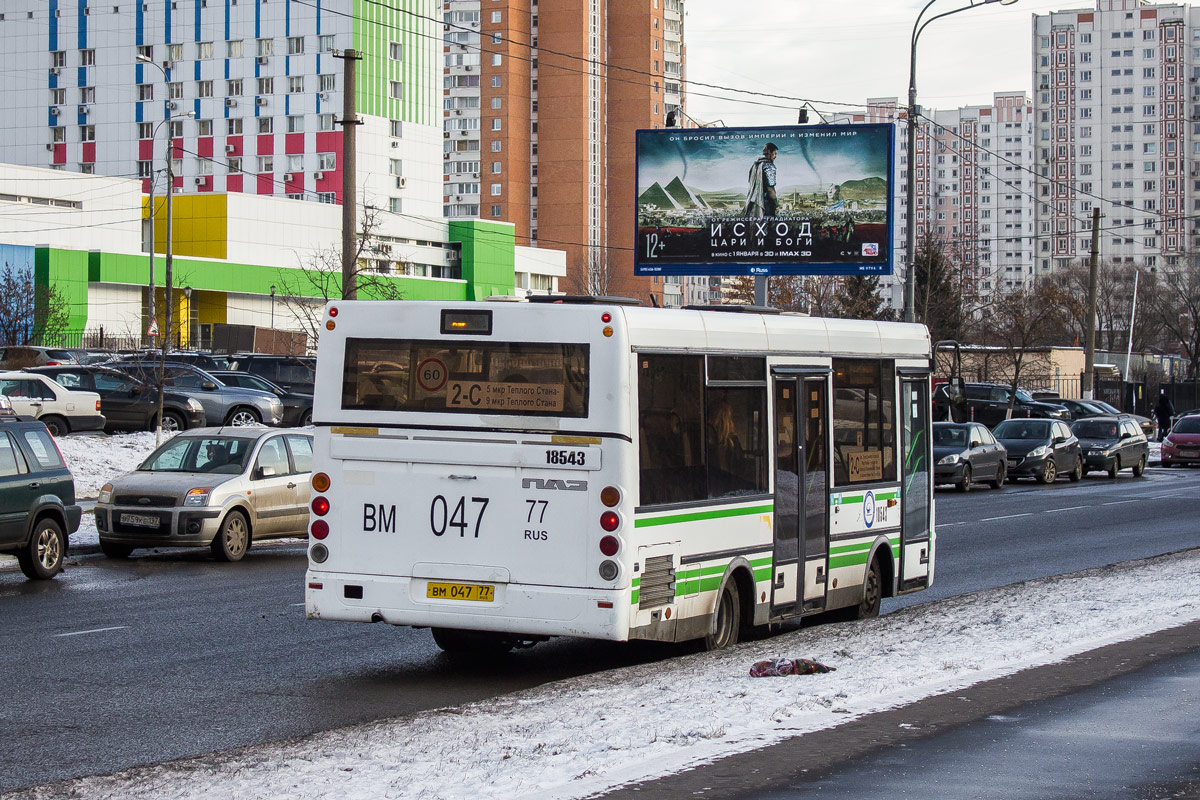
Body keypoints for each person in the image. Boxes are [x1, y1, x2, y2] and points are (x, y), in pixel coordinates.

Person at [743, 142, 779, 218]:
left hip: (753, 203)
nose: (775, 156)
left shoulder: (755, 165)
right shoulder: (769, 166)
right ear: (769, 152)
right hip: (765, 204)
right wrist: (776, 205)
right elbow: (770, 189)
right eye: (774, 153)